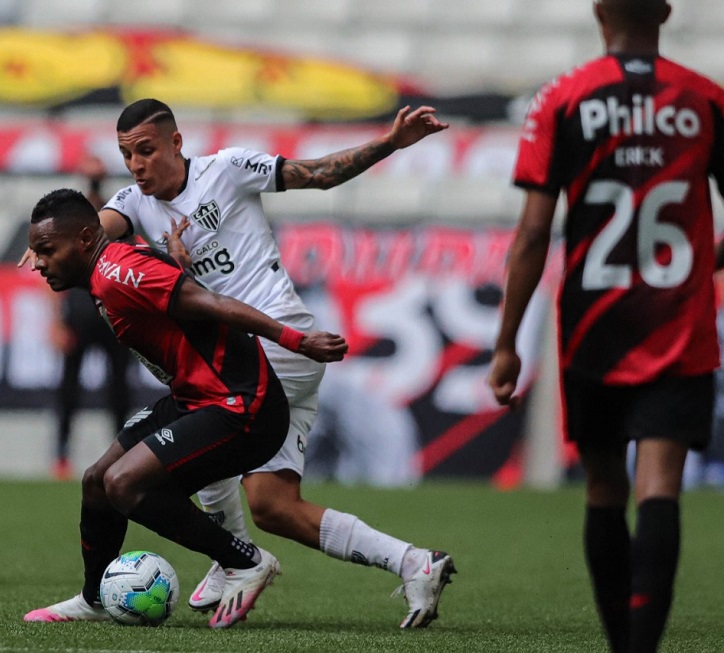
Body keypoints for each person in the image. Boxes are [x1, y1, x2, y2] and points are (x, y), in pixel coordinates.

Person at [23, 98, 456, 627]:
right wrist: (48, 241)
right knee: (274, 506)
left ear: (176, 143)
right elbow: (94, 234)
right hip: (249, 358)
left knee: (193, 423)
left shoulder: (225, 170)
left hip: (277, 339)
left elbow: (316, 175)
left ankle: (233, 561)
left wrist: (389, 143)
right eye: (126, 155)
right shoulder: (132, 203)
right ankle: (414, 563)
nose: (136, 165)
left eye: (146, 150)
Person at [487, 1, 724, 651]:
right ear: (667, 13)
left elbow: (534, 233)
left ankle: (621, 643)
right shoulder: (706, 99)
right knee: (660, 486)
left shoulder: (563, 100)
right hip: (680, 318)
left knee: (602, 485)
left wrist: (507, 343)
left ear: (598, 13)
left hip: (593, 325)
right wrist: (704, 259)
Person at [22, 188, 347, 628]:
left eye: (46, 250)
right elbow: (170, 291)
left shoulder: (116, 271)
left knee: (125, 484)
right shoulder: (111, 268)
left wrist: (295, 339)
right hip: (194, 398)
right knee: (97, 481)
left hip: (241, 405)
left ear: (83, 240)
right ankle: (95, 596)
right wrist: (176, 263)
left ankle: (244, 562)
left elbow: (211, 303)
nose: (38, 262)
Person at [50, 157, 134, 481]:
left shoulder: (119, 220)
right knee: (69, 389)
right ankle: (61, 454)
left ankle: (120, 453)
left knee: (118, 390)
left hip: (112, 317)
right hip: (80, 316)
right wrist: (57, 321)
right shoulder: (71, 219)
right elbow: (53, 274)